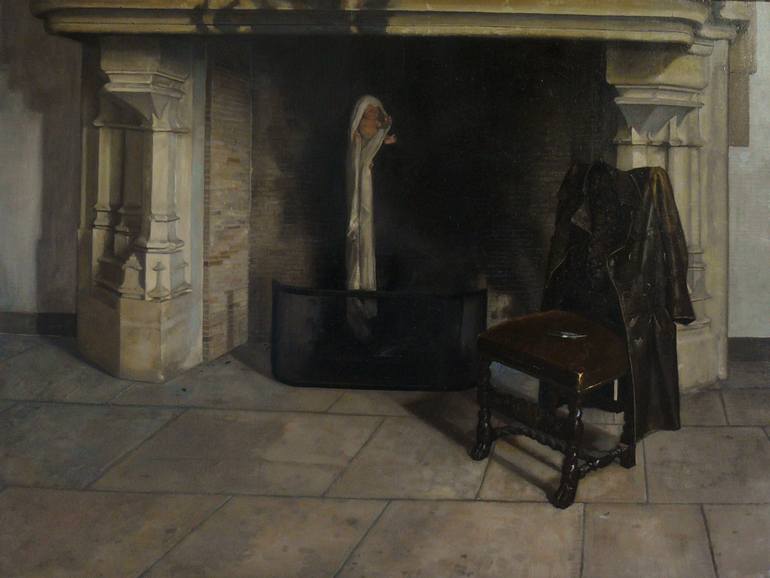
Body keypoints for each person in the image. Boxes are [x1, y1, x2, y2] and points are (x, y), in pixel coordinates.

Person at [345, 95, 396, 340]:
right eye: (369, 113)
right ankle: (358, 310)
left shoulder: (380, 132)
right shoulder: (358, 137)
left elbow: (381, 143)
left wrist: (383, 139)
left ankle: (373, 315)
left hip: (385, 214)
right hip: (365, 200)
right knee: (360, 247)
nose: (373, 117)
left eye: (376, 113)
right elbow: (359, 163)